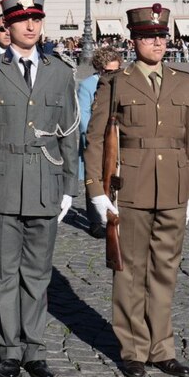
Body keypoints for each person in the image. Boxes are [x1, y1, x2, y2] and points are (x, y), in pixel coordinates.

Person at [0, 0, 78, 377]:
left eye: (36, 19)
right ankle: (8, 349)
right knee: (3, 272)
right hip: (2, 181)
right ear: (6, 26)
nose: (30, 26)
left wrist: (68, 187)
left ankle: (35, 350)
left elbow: (70, 135)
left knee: (38, 274)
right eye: (22, 20)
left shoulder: (60, 72)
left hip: (46, 181)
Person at [84, 3, 189, 377]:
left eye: (162, 36)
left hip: (174, 187)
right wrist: (97, 191)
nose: (157, 43)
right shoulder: (116, 82)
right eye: (149, 37)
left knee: (165, 272)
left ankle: (162, 348)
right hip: (129, 186)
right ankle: (133, 349)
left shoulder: (184, 81)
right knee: (129, 270)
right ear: (134, 40)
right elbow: (97, 139)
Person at [77, 46, 123, 238]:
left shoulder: (123, 83)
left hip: (116, 139)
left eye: (117, 70)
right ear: (100, 69)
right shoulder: (88, 85)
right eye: (109, 71)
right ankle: (95, 219)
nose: (113, 74)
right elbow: (83, 116)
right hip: (96, 138)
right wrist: (96, 135)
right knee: (94, 177)